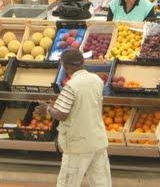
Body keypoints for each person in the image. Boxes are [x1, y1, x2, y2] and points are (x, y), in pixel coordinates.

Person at [35, 49, 111, 187]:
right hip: (98, 140)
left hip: (78, 144)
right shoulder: (97, 80)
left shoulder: (71, 86)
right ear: (83, 62)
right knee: (101, 182)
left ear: (65, 66)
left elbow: (62, 115)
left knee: (67, 183)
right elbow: (84, 104)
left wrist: (47, 108)